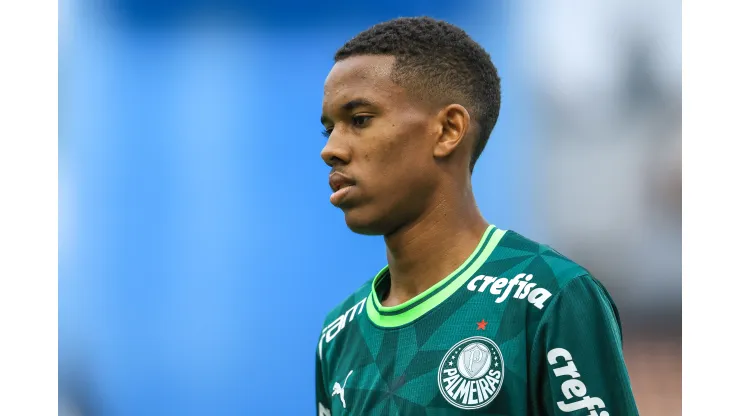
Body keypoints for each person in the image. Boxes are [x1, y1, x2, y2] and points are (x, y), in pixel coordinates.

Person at [316, 17, 639, 415]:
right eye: (328, 129)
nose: (331, 149)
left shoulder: (549, 297)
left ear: (449, 130)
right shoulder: (338, 336)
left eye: (359, 120)